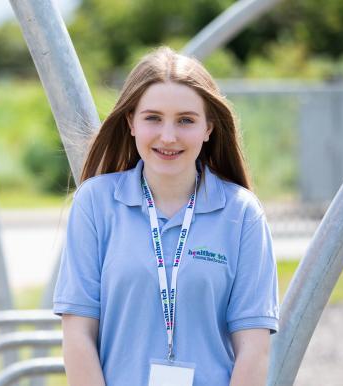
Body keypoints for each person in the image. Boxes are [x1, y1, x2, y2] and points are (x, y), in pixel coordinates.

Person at [53, 46, 279, 386]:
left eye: (186, 120)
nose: (168, 136)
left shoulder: (243, 214)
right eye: (153, 118)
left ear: (209, 128)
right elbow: (77, 333)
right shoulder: (95, 204)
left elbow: (254, 347)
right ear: (131, 122)